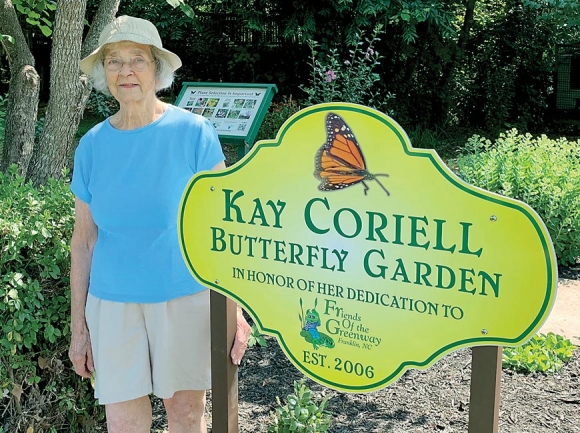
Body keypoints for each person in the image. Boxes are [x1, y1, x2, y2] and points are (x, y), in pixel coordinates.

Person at [68, 15, 251, 433]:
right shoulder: (92, 146)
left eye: (138, 60)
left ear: (157, 69)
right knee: (124, 423)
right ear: (103, 74)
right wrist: (79, 326)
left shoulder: (194, 133)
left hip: (184, 298)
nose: (126, 70)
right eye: (113, 61)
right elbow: (83, 242)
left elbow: (220, 230)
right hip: (112, 306)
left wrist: (232, 311)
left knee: (186, 416)